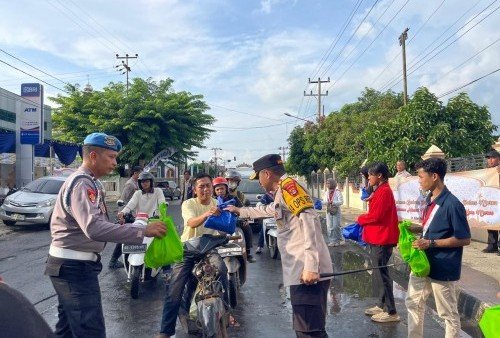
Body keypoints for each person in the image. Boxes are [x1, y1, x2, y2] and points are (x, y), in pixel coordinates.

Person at [45, 132, 167, 338]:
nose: (115, 163)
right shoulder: (83, 183)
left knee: (67, 330)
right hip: (74, 267)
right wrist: (142, 230)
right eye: (111, 157)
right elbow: (93, 228)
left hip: (71, 265)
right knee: (90, 331)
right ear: (93, 156)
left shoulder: (88, 182)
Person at [225, 154, 333, 338]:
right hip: (301, 271)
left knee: (309, 331)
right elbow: (269, 211)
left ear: (267, 173)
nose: (258, 181)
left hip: (307, 273)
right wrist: (239, 211)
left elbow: (310, 222)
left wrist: (311, 266)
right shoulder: (281, 192)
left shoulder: (290, 188)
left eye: (258, 176)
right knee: (306, 328)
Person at [157, 173, 233, 338]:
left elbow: (227, 225)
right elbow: (191, 222)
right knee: (175, 289)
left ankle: (227, 312)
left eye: (208, 185)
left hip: (209, 248)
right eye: (201, 186)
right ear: (195, 190)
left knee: (221, 269)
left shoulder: (218, 203)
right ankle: (165, 331)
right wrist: (208, 214)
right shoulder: (188, 203)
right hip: (188, 248)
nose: (205, 189)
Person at [406, 157, 471, 338]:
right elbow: (434, 228)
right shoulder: (429, 199)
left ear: (434, 176)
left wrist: (431, 243)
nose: (419, 181)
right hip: (423, 264)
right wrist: (417, 228)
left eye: (420, 176)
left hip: (443, 267)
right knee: (413, 303)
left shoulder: (452, 204)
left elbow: (464, 238)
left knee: (447, 314)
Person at [358, 162, 400, 323]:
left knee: (383, 275)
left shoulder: (384, 192)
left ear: (380, 175)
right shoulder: (380, 191)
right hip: (378, 238)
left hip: (383, 238)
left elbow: (376, 216)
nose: (368, 178)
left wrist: (360, 219)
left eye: (371, 175)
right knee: (378, 273)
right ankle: (381, 304)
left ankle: (392, 311)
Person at [108, 165, 143, 268]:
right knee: (125, 238)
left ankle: (128, 259)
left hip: (134, 215)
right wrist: (122, 216)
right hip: (128, 216)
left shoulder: (136, 183)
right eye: (140, 173)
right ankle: (113, 261)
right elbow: (123, 200)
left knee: (132, 237)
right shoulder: (130, 184)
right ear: (135, 173)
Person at [224, 170, 257, 263]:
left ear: (238, 183)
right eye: (229, 180)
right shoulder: (220, 192)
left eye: (234, 181)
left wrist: (245, 218)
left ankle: (248, 252)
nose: (231, 183)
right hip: (221, 219)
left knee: (247, 227)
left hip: (235, 219)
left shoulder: (239, 195)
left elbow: (244, 207)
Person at [483, 149, 500, 254]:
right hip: (490, 200)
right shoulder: (487, 172)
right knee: (491, 222)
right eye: (488, 158)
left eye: (493, 157)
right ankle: (492, 245)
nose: (490, 160)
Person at [322, 178, 344, 246]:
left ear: (333, 184)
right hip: (328, 210)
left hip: (336, 210)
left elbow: (341, 202)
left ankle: (339, 239)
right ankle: (332, 241)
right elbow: (324, 201)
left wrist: (333, 202)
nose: (327, 185)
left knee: (336, 226)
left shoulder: (337, 192)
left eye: (328, 183)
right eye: (327, 183)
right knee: (329, 226)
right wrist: (325, 202)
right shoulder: (326, 192)